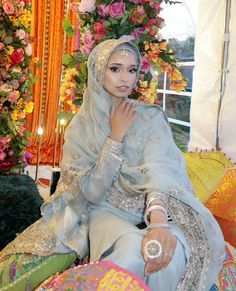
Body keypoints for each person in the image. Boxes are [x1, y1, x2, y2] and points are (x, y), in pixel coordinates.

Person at [0, 38, 225, 290]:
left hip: (151, 211)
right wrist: (115, 138)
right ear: (98, 71)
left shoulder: (150, 118)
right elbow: (92, 193)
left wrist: (159, 224)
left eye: (131, 70)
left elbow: (159, 174)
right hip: (104, 211)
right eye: (115, 68)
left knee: (168, 255)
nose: (125, 78)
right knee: (130, 251)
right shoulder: (81, 127)